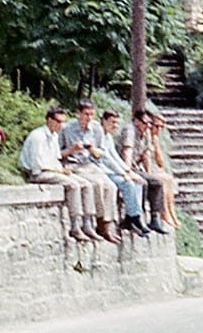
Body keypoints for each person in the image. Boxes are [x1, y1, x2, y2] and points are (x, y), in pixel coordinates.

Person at [22, 107, 100, 243]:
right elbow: (38, 165)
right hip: (40, 173)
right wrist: (59, 171)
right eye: (58, 121)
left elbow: (55, 158)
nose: (61, 125)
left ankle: (88, 223)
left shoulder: (53, 136)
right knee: (73, 186)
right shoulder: (38, 136)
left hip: (53, 170)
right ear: (49, 120)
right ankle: (75, 225)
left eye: (63, 122)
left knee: (86, 184)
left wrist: (61, 169)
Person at [57, 100, 126, 243]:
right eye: (86, 114)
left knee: (111, 187)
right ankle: (91, 224)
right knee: (95, 185)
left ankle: (106, 225)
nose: (88, 118)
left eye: (92, 115)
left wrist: (94, 149)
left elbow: (102, 153)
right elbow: (57, 153)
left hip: (91, 164)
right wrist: (72, 149)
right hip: (74, 164)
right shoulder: (67, 129)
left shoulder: (96, 129)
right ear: (79, 113)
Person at [104, 110, 168, 234]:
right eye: (145, 123)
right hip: (123, 166)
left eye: (150, 123)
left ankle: (155, 218)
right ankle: (138, 216)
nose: (148, 126)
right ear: (136, 121)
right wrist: (128, 173)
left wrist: (149, 173)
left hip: (135, 167)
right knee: (142, 182)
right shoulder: (130, 130)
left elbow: (146, 155)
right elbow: (127, 153)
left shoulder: (146, 132)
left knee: (157, 183)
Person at [141, 109, 181, 230]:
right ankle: (164, 212)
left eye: (161, 127)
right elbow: (145, 157)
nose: (158, 129)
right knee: (162, 180)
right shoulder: (146, 136)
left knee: (168, 179)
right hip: (143, 167)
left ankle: (170, 210)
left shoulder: (155, 139)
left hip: (153, 167)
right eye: (156, 126)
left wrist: (157, 146)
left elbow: (160, 161)